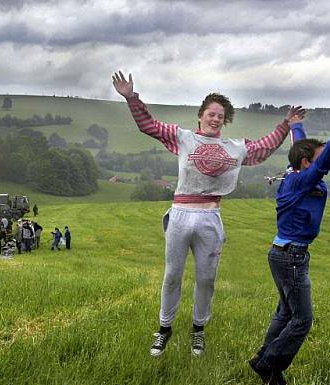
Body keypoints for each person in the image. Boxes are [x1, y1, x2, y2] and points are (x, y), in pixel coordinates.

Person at [112, 71, 303, 358]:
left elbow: (263, 148)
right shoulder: (182, 138)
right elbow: (148, 125)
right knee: (172, 275)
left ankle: (198, 330)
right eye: (211, 114)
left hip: (210, 216)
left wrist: (286, 125)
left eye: (221, 116)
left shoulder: (235, 148)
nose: (215, 119)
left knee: (206, 279)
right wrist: (131, 98)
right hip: (180, 213)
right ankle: (164, 330)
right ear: (201, 116)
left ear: (224, 121)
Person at [249, 104, 330, 385]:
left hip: (282, 253)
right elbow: (321, 163)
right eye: (315, 161)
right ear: (307, 164)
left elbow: (300, 149)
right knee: (302, 319)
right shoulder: (304, 179)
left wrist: (296, 125)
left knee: (285, 312)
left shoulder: (295, 172)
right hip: (291, 256)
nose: (321, 168)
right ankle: (269, 364)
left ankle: (262, 357)